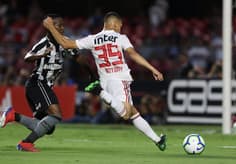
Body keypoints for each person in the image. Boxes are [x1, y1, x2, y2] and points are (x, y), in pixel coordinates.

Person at [43, 11, 167, 151]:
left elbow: (65, 43)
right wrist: (152, 69)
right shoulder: (121, 38)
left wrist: (50, 27)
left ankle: (157, 140)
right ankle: (99, 92)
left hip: (105, 80)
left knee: (133, 113)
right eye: (120, 25)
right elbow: (133, 54)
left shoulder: (92, 39)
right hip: (119, 79)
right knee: (126, 113)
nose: (121, 28)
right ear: (114, 24)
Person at [0, 14, 80, 152]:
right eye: (58, 25)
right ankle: (26, 143)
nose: (62, 28)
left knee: (48, 127)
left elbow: (77, 55)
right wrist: (42, 55)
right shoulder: (43, 43)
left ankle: (13, 115)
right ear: (50, 27)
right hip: (38, 83)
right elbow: (27, 57)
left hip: (41, 86)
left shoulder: (65, 42)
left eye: (62, 25)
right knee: (56, 114)